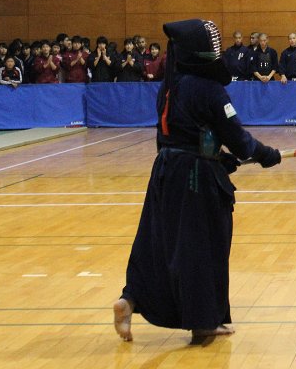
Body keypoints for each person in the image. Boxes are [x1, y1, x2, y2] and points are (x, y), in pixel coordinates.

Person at [113, 18, 282, 343]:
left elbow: (185, 136)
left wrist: (218, 159)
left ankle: (130, 299)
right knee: (202, 247)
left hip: (166, 171)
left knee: (158, 243)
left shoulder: (170, 87)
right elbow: (238, 139)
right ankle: (203, 322)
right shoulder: (208, 88)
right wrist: (265, 154)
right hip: (194, 180)